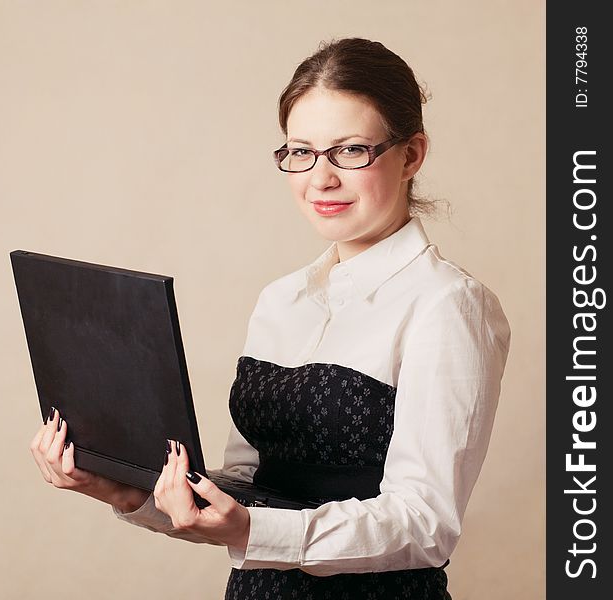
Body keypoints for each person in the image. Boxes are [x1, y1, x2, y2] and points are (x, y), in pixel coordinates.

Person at [30, 37, 510, 599]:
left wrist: (255, 530)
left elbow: (426, 525)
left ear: (412, 154)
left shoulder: (449, 304)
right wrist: (122, 489)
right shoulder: (280, 300)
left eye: (350, 151)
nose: (320, 178)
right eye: (299, 151)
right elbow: (241, 491)